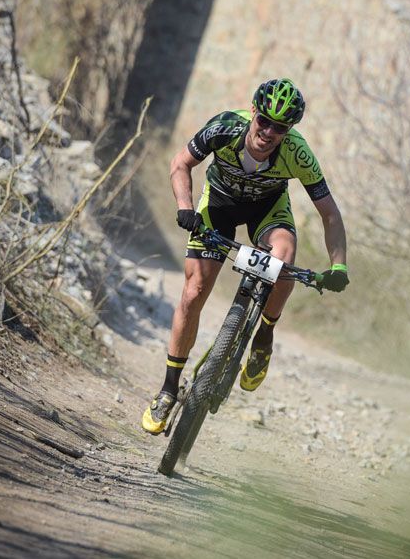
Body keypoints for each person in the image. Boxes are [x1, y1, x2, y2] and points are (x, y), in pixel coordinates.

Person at [142, 78, 349, 434]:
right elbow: (180, 164)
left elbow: (329, 213)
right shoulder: (224, 127)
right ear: (253, 111)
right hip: (219, 204)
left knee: (283, 257)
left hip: (267, 211)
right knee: (194, 292)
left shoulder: (298, 153)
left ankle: (264, 336)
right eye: (264, 120)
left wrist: (338, 264)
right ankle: (168, 390)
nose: (268, 132)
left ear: (289, 130)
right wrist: (185, 207)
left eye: (279, 127)